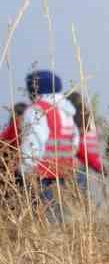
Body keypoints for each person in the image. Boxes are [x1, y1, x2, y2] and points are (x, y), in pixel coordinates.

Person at [16, 70, 80, 211]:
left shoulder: (36, 111)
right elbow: (75, 139)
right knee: (61, 217)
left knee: (44, 218)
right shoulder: (66, 110)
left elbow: (32, 143)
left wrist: (24, 171)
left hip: (42, 175)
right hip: (65, 172)